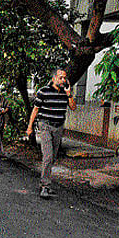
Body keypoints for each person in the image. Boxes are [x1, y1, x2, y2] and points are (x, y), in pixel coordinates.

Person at [26, 68, 77, 199]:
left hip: (58, 127)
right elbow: (35, 109)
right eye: (60, 77)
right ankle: (45, 186)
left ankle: (45, 181)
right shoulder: (43, 91)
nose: (63, 80)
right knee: (48, 156)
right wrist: (30, 127)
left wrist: (69, 94)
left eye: (64, 78)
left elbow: (73, 107)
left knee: (52, 157)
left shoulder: (66, 93)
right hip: (45, 126)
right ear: (54, 78)